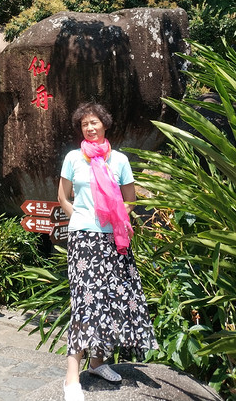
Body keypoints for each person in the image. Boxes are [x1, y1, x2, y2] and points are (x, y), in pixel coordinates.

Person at [58, 102, 157, 401]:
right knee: (85, 300)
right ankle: (71, 377)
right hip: (84, 238)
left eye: (94, 122)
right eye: (85, 124)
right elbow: (62, 196)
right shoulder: (74, 158)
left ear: (105, 124)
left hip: (113, 239)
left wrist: (117, 216)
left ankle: (99, 363)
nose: (90, 128)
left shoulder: (121, 161)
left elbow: (130, 199)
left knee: (110, 299)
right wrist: (81, 217)